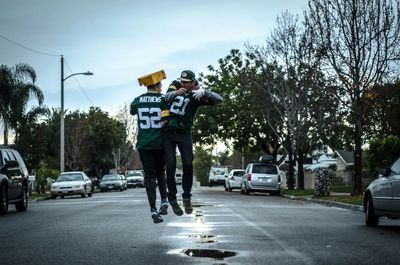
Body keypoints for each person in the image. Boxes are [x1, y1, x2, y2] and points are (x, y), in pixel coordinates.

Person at [162, 70, 223, 215]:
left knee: (188, 164)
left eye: (186, 82)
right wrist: (176, 93)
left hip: (184, 133)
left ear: (193, 82)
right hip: (169, 133)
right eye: (182, 81)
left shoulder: (197, 94)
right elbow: (165, 98)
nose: (183, 84)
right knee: (170, 166)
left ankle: (187, 197)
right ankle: (172, 199)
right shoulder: (175, 86)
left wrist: (205, 92)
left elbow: (219, 99)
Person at [130, 70, 169, 224]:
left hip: (144, 143)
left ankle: (153, 209)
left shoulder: (137, 100)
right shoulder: (163, 99)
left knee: (149, 176)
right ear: (158, 85)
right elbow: (167, 119)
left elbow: (132, 111)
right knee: (161, 172)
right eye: (161, 85)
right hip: (160, 142)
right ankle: (164, 201)